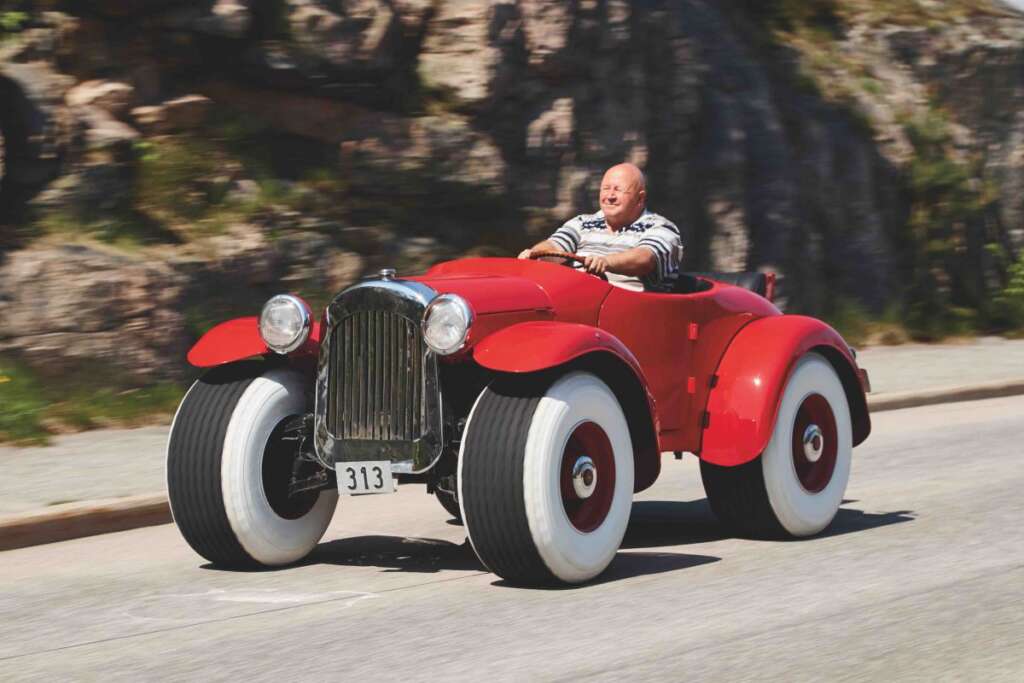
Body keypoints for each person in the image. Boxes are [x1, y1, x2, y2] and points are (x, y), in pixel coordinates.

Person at [518, 163, 682, 292]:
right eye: (606, 189)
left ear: (640, 199)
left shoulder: (661, 227)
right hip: (573, 299)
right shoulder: (582, 222)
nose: (610, 196)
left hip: (627, 312)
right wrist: (534, 255)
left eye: (618, 190)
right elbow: (554, 246)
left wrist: (606, 262)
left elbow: (645, 258)